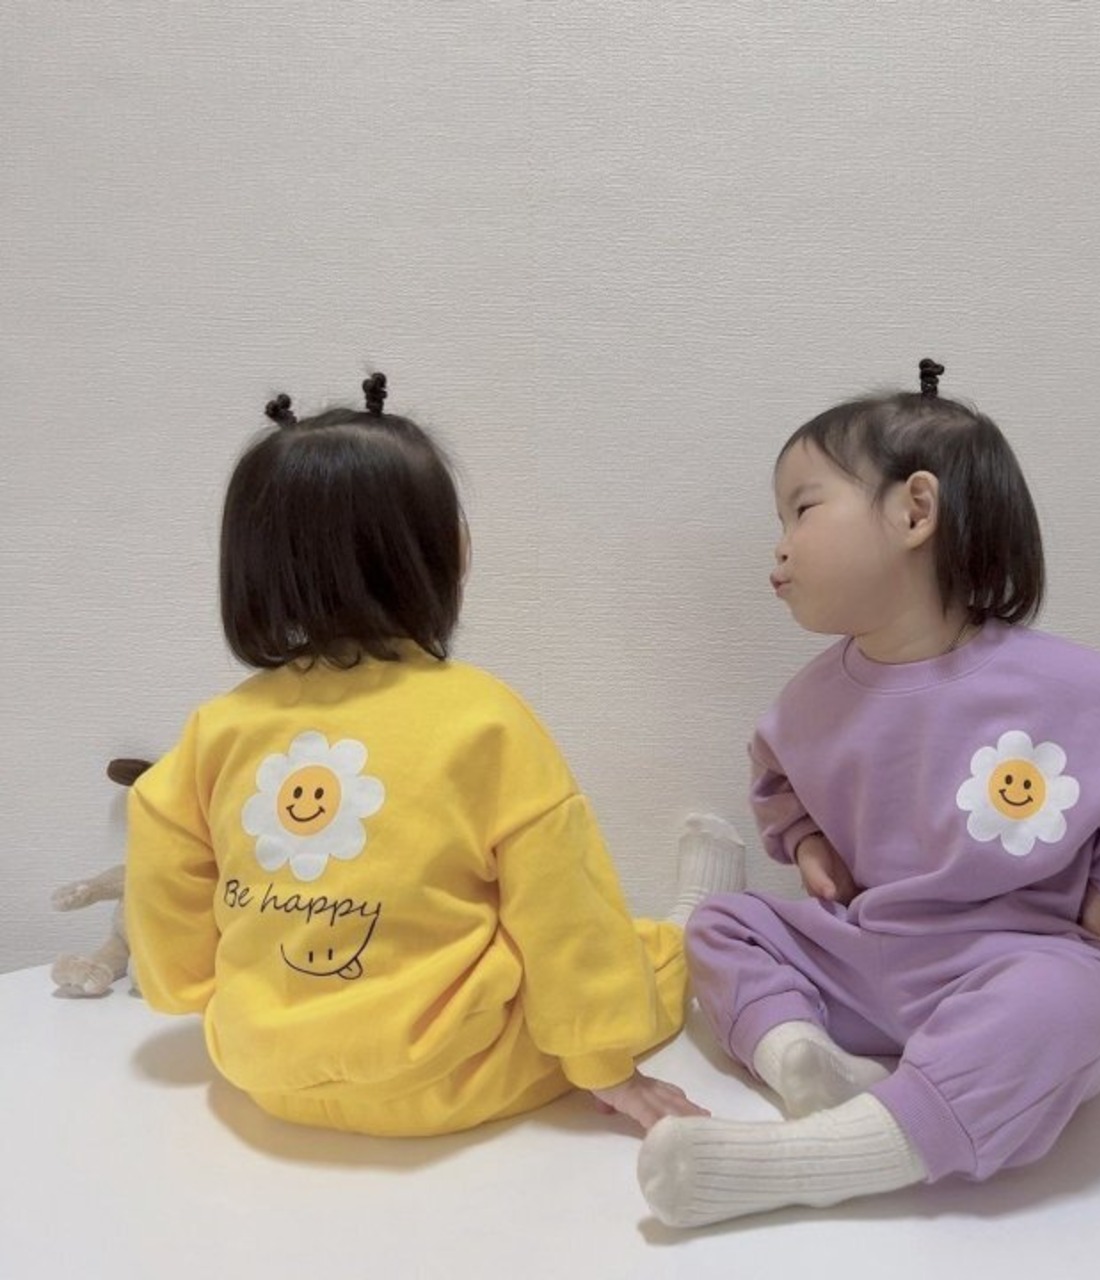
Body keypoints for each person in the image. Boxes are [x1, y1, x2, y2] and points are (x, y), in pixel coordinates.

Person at [638, 359, 1100, 1227]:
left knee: (1073, 1002)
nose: (779, 546)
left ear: (914, 511)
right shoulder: (809, 699)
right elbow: (775, 777)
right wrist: (808, 844)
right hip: (868, 956)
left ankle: (830, 1155)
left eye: (802, 509)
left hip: (1014, 957)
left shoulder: (1053, 682)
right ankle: (800, 1059)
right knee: (723, 923)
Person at [125, 372, 744, 1137]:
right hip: (450, 1075)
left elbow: (161, 854)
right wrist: (606, 1067)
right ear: (448, 552)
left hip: (263, 1073)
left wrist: (191, 988)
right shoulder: (484, 719)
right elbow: (564, 907)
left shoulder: (217, 729)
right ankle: (698, 920)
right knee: (650, 953)